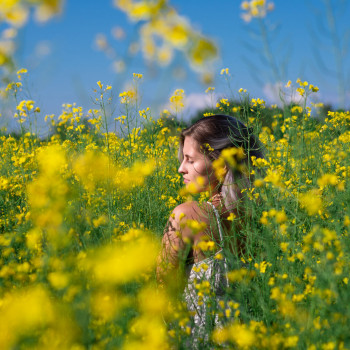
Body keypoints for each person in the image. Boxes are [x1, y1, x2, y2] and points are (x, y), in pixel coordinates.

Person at [156, 114, 264, 344]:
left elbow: (163, 293)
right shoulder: (264, 218)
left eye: (190, 159)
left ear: (221, 166)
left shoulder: (186, 216)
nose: (180, 169)